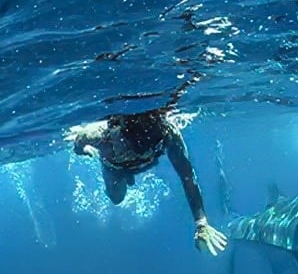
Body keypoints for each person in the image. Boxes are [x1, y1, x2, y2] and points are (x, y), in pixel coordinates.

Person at [69, 108, 228, 256]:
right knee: (117, 199)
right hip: (115, 169)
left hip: (140, 163)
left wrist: (201, 224)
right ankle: (127, 176)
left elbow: (187, 177)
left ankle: (131, 174)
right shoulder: (99, 135)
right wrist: (85, 151)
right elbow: (78, 144)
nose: (142, 141)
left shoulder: (168, 133)